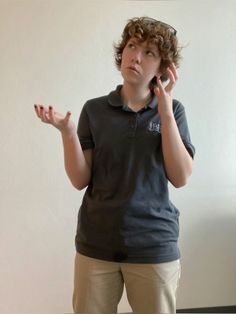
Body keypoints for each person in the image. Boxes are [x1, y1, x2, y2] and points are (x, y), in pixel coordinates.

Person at [34, 16, 195, 314]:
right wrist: (67, 133)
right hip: (96, 243)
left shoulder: (174, 112)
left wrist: (165, 111)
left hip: (153, 245)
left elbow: (181, 176)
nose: (135, 56)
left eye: (149, 52)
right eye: (132, 46)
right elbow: (80, 179)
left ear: (163, 68)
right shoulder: (94, 110)